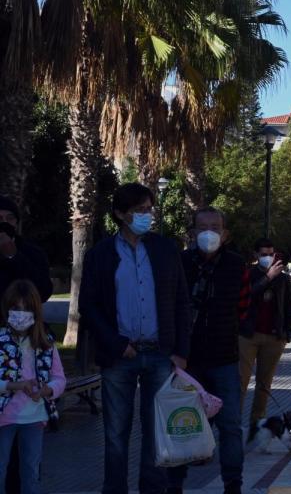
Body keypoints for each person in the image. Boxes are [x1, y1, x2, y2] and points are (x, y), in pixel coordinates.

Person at [78, 182, 190, 494]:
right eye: (140, 210)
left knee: (156, 431)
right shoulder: (101, 254)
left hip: (160, 354)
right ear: (120, 213)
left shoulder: (165, 249)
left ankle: (152, 489)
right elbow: (89, 305)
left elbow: (181, 301)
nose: (147, 215)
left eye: (149, 209)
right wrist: (115, 344)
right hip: (120, 356)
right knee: (116, 433)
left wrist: (181, 352)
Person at [166, 207, 245, 494]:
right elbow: (169, 307)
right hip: (187, 361)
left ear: (225, 234)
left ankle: (233, 485)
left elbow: (244, 307)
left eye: (215, 228)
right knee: (181, 425)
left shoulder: (236, 265)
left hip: (224, 358)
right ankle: (175, 485)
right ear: (192, 232)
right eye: (203, 228)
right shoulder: (180, 262)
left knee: (231, 425)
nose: (209, 233)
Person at [0, 196, 52, 494]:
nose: (4, 223)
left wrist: (11, 255)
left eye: (9, 218)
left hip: (28, 340)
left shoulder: (30, 253)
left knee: (28, 463)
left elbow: (42, 290)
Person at [0, 280, 64, 494]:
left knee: (31, 473)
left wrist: (47, 390)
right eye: (15, 308)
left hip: (34, 418)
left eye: (26, 309)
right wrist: (14, 385)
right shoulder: (1, 341)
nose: (20, 314)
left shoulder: (46, 344)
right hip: (3, 417)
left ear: (35, 311)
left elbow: (59, 379)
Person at [239, 238, 291, 438]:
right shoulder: (249, 274)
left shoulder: (283, 278)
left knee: (264, 385)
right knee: (240, 382)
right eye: (264, 254)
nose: (268, 258)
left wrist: (287, 334)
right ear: (256, 255)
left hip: (274, 337)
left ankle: (257, 425)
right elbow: (247, 297)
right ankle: (233, 426)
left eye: (271, 254)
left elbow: (290, 307)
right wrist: (267, 277)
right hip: (248, 335)